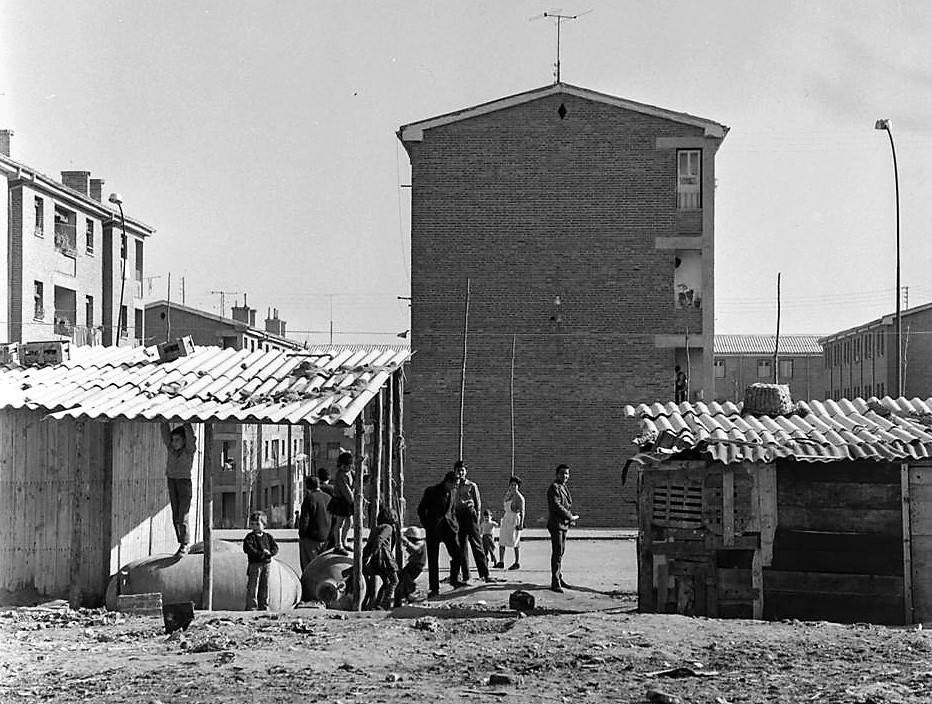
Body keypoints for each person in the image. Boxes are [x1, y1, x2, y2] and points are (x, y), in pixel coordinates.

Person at [417, 470, 465, 598]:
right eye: (454, 484)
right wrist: (427, 524)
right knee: (433, 560)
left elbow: (452, 509)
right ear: (447, 482)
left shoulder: (453, 492)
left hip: (449, 528)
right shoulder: (431, 491)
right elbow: (421, 509)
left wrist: (455, 524)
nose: (456, 487)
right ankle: (434, 588)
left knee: (458, 555)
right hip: (433, 529)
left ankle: (454, 579)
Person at [160, 422, 197, 556]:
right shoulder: (171, 449)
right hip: (172, 481)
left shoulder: (188, 450)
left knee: (182, 515)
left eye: (177, 440)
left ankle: (185, 543)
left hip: (184, 483)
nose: (174, 443)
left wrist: (186, 422)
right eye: (173, 440)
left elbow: (190, 437)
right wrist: (164, 419)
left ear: (184, 441)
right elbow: (165, 433)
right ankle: (181, 542)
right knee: (175, 515)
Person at [452, 460, 490, 584]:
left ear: (466, 472)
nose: (460, 473)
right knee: (461, 546)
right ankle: (465, 574)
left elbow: (478, 503)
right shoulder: (453, 485)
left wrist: (478, 519)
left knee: (476, 545)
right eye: (458, 470)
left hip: (470, 515)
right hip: (458, 516)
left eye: (462, 470)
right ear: (455, 472)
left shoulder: (472, 485)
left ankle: (484, 573)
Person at [547, 464, 579, 593]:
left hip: (563, 524)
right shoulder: (554, 488)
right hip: (556, 524)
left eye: (567, 474)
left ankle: (559, 577)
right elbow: (556, 505)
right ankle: (555, 582)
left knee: (561, 552)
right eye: (562, 473)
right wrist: (570, 516)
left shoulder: (563, 487)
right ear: (557, 474)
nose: (565, 476)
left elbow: (566, 504)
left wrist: (570, 519)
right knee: (557, 552)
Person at [361, 504, 399, 610]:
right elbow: (379, 539)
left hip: (377, 559)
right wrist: (375, 551)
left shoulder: (376, 528)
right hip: (384, 558)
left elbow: (370, 542)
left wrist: (369, 556)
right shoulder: (388, 527)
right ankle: (384, 604)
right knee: (394, 581)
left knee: (387, 582)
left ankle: (377, 603)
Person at [243, 511, 279, 610]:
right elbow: (248, 549)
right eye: (253, 524)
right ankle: (252, 607)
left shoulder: (268, 537)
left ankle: (264, 606)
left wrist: (270, 553)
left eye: (258, 524)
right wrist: (261, 553)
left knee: (265, 586)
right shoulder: (250, 537)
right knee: (253, 586)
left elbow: (275, 547)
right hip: (255, 564)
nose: (255, 527)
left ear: (264, 525)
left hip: (266, 564)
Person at [298, 476, 331, 572]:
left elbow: (305, 519)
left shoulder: (309, 498)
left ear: (307, 487)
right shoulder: (328, 498)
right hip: (325, 537)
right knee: (322, 567)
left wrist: (302, 534)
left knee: (309, 568)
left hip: (310, 539)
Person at [328, 451, 355, 555]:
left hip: (347, 501)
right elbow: (346, 490)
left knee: (349, 522)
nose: (346, 468)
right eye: (344, 466)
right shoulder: (340, 475)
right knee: (339, 523)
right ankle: (338, 545)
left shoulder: (350, 472)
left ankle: (344, 541)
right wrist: (353, 502)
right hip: (341, 501)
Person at [496, 475, 525, 570]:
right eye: (512, 485)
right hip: (506, 518)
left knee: (515, 542)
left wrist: (521, 524)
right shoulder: (508, 494)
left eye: (515, 485)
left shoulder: (520, 497)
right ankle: (501, 561)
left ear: (518, 486)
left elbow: (522, 511)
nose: (513, 487)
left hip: (514, 519)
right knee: (502, 541)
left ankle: (517, 562)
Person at [395, 526, 427, 605]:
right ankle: (406, 596)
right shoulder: (419, 542)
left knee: (405, 581)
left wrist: (407, 542)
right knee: (402, 578)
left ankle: (408, 596)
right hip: (413, 564)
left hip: (416, 566)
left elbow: (415, 549)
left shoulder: (420, 543)